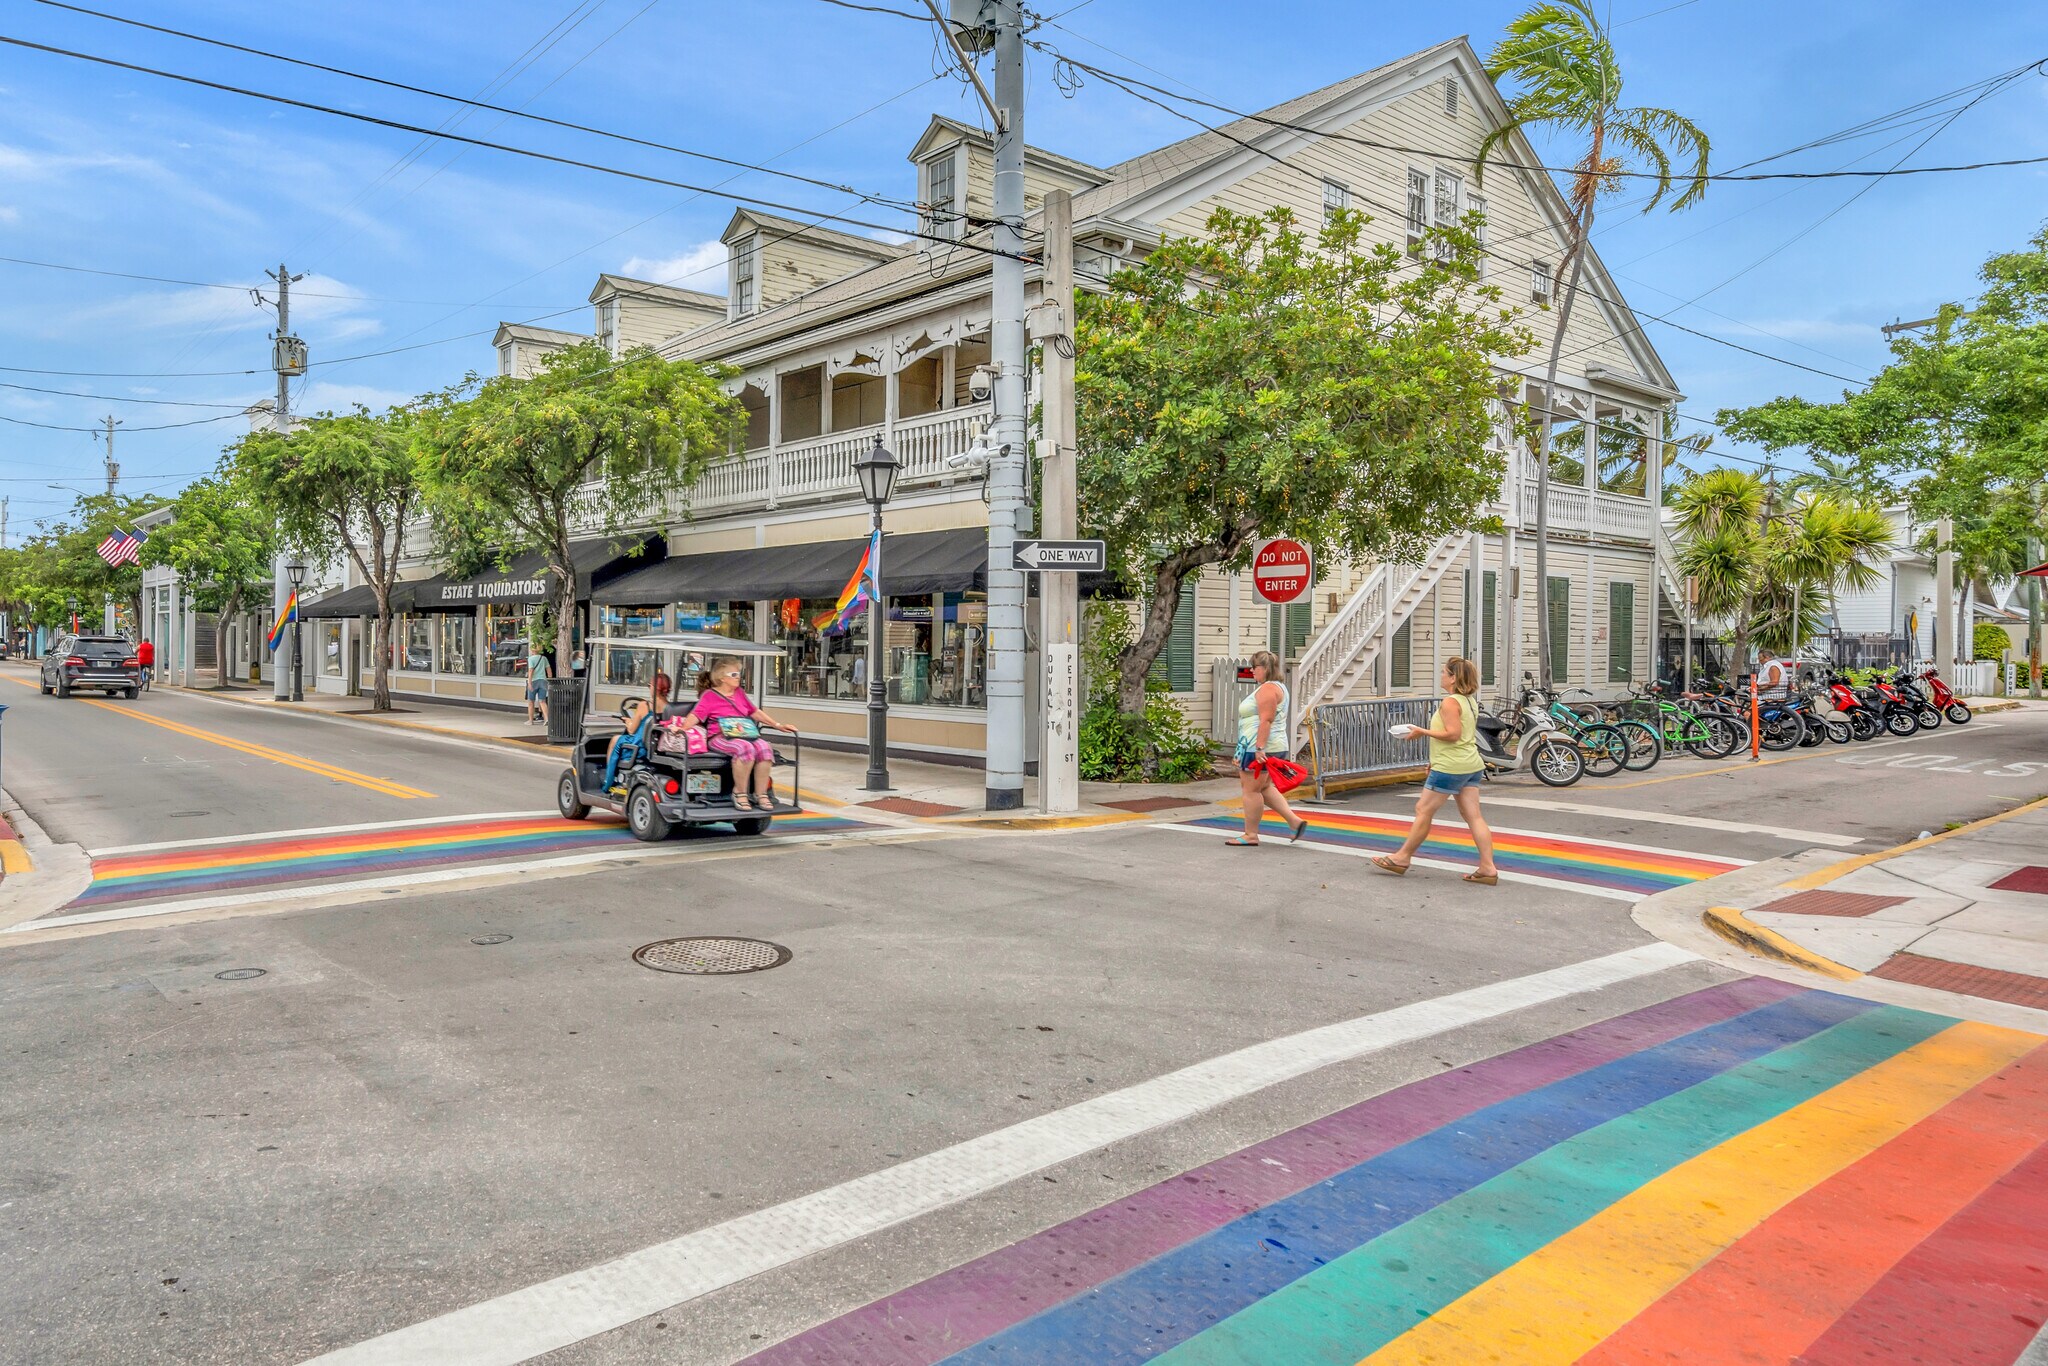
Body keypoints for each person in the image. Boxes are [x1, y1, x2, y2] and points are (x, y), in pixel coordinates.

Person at [1372, 656, 1498, 885]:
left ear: (1453, 678)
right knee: (1474, 816)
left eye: (1443, 672)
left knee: (1423, 810)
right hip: (1470, 764)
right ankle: (1488, 867)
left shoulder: (1450, 702)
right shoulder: (1469, 701)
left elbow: (1453, 734)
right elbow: (1462, 735)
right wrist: (1435, 759)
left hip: (1451, 766)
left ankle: (1402, 857)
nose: (1440, 676)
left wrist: (1421, 731)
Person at [678, 656, 791, 811]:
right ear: (722, 678)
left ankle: (761, 793)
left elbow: (754, 712)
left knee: (765, 747)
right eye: (733, 674)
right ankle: (739, 792)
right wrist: (682, 728)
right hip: (719, 736)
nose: (738, 677)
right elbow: (696, 715)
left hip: (744, 733)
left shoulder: (739, 693)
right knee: (744, 748)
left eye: (738, 674)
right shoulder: (709, 695)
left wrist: (777, 725)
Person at [1226, 650, 1307, 847]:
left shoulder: (1268, 690)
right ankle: (1294, 822)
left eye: (1255, 667)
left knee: (1251, 790)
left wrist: (1260, 748)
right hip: (1268, 745)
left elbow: (1266, 720)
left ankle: (1251, 834)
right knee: (1264, 787)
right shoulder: (1277, 687)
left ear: (1265, 668)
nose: (1251, 671)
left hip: (1259, 746)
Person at [525, 645, 551, 726]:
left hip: (534, 681)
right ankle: (546, 719)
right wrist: (549, 680)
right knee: (542, 701)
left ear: (532, 650)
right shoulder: (544, 658)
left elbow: (531, 670)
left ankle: (530, 720)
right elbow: (548, 669)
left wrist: (529, 682)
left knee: (531, 701)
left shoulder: (531, 659)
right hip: (543, 681)